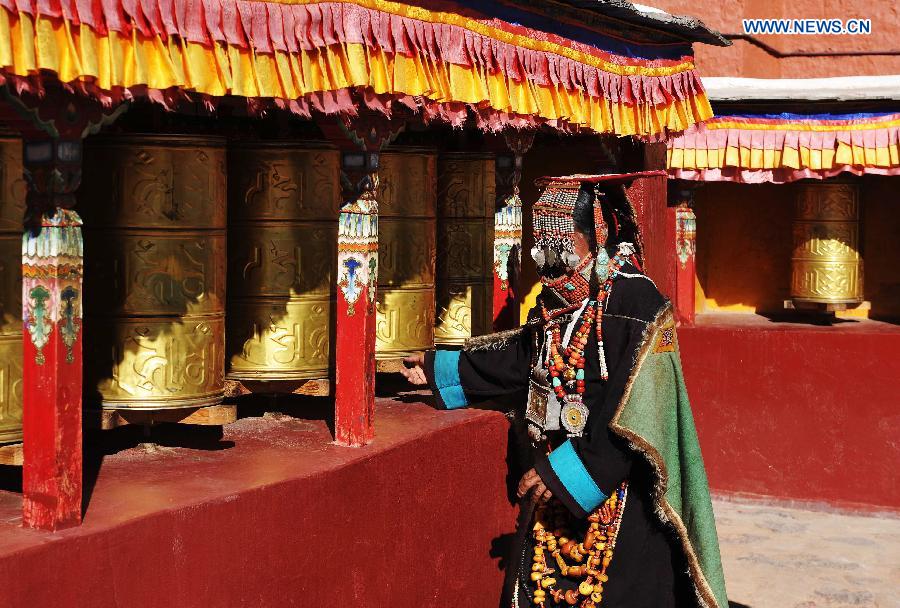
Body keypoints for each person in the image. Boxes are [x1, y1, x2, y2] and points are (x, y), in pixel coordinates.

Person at [401, 173, 728, 608]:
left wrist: (568, 473)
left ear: (591, 236)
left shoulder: (640, 305)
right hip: (557, 485)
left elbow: (638, 411)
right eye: (542, 240)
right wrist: (437, 368)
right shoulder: (557, 305)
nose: (545, 254)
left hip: (620, 498)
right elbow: (519, 356)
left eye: (557, 239)